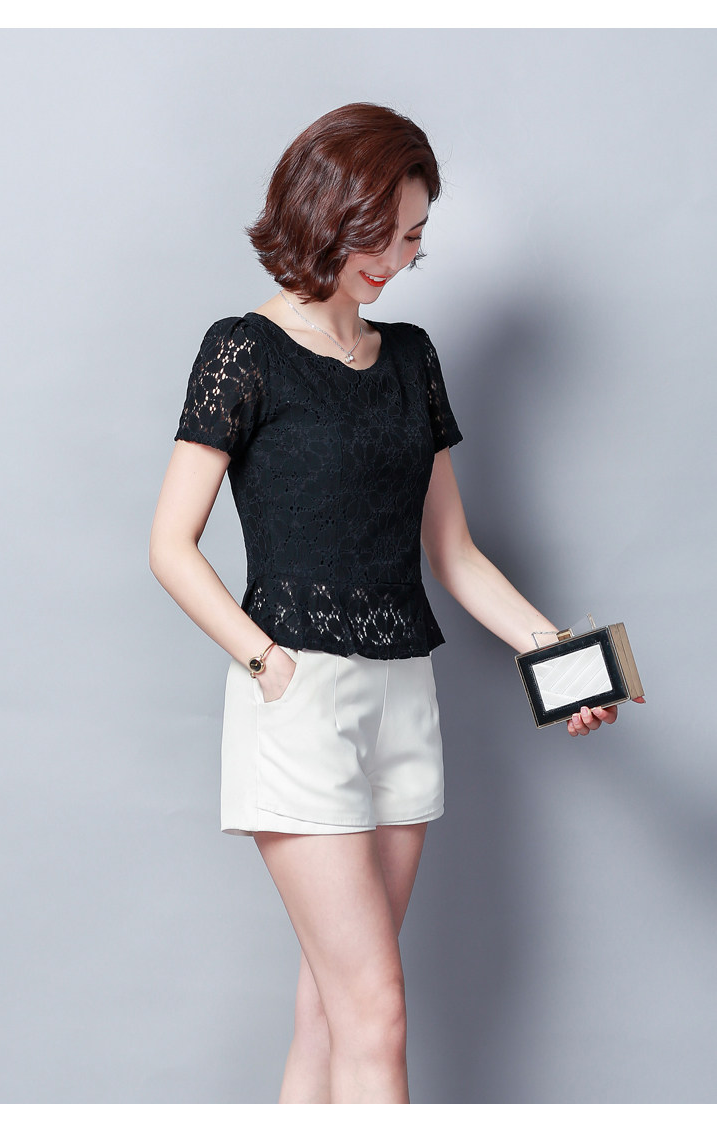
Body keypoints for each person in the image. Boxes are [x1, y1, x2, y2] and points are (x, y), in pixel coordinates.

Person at [148, 103, 643, 1104]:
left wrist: (556, 655)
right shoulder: (243, 349)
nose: (401, 259)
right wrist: (268, 665)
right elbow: (170, 544)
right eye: (385, 233)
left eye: (416, 237)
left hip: (403, 700)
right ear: (327, 212)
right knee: (376, 1010)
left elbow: (453, 553)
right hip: (299, 700)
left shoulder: (411, 358)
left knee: (331, 1010)